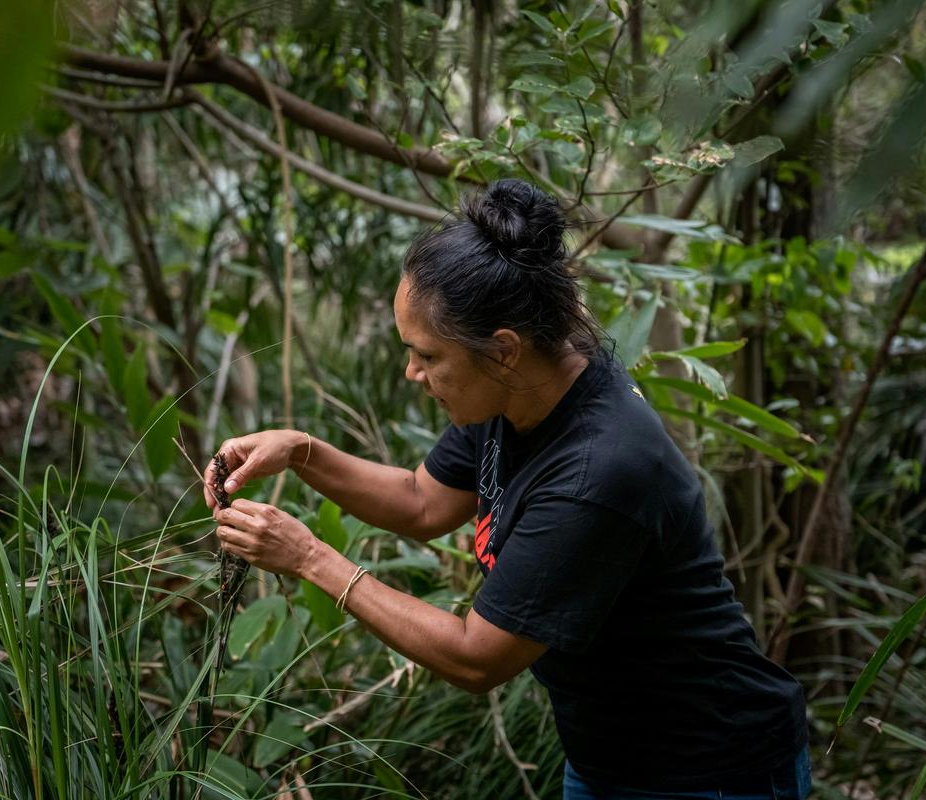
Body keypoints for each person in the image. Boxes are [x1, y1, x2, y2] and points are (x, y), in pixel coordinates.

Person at [205, 179, 811, 799]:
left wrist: (311, 558)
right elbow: (421, 502)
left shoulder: (597, 470)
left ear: (502, 352)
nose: (412, 372)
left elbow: (476, 657)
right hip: (611, 760)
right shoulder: (521, 393)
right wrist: (301, 451)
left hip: (709, 770)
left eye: (427, 356)